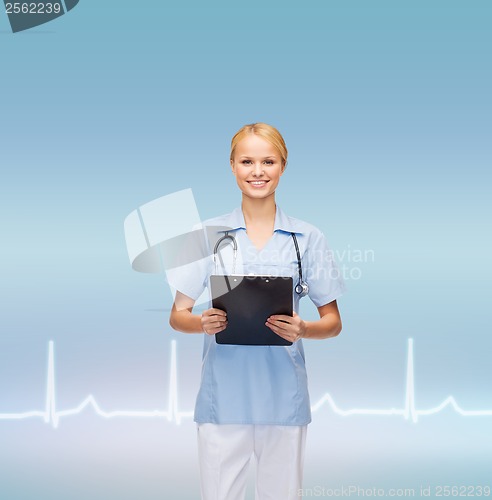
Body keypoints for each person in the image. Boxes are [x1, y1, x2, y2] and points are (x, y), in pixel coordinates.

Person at [169, 122, 346, 500]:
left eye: (268, 161)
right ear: (232, 166)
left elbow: (332, 323)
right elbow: (177, 314)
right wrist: (202, 321)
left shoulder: (308, 239)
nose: (257, 171)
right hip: (223, 400)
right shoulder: (207, 234)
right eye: (247, 161)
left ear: (283, 166)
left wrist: (303, 329)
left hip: (283, 398)